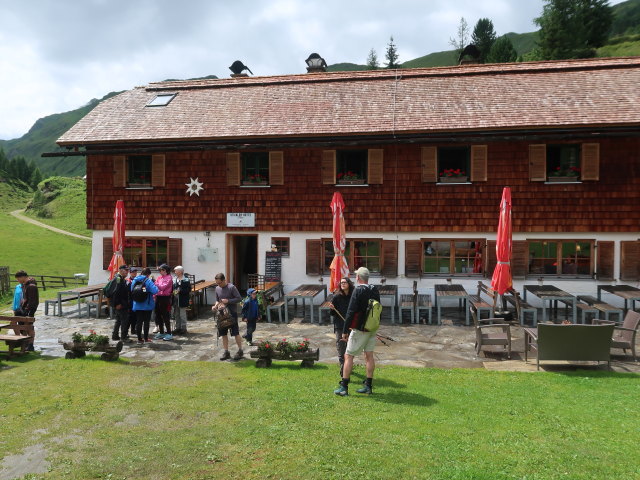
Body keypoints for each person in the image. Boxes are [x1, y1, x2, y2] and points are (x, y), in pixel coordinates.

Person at [334, 267, 380, 397]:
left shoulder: (358, 290)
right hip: (372, 327)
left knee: (348, 356)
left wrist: (345, 331)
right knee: (369, 356)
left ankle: (344, 387)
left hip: (360, 328)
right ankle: (368, 386)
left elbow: (350, 311)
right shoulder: (374, 289)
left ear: (358, 277)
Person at [212, 273, 243, 360]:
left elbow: (239, 298)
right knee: (223, 334)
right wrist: (215, 306)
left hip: (232, 314)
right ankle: (226, 352)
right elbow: (217, 300)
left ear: (224, 280)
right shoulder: (217, 288)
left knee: (235, 333)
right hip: (221, 314)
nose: (218, 285)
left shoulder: (231, 287)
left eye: (220, 283)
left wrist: (228, 301)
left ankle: (240, 350)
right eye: (217, 283)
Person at [329, 277, 354, 378]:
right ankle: (343, 366)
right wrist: (332, 308)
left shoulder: (353, 296)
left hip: (351, 325)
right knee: (341, 346)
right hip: (340, 325)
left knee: (350, 347)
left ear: (349, 284)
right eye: (341, 282)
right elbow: (332, 314)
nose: (343, 284)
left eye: (345, 282)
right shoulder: (336, 297)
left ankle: (347, 365)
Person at [131, 267, 159, 344]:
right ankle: (146, 338)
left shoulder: (134, 280)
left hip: (137, 304)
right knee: (146, 322)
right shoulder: (148, 280)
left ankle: (139, 339)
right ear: (148, 274)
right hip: (147, 305)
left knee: (139, 321)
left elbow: (131, 290)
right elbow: (155, 290)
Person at [14, 270, 39, 351]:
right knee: (22, 326)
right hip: (23, 309)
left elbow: (33, 301)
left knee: (29, 327)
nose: (18, 281)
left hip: (29, 310)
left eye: (18, 279)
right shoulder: (25, 285)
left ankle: (30, 345)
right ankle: (26, 343)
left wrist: (29, 312)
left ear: (23, 277)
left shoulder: (31, 286)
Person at [111, 264, 131, 341]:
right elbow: (116, 293)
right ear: (120, 270)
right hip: (121, 304)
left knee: (118, 320)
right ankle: (124, 337)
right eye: (126, 270)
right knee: (124, 321)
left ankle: (115, 336)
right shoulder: (118, 279)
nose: (127, 272)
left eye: (127, 270)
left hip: (122, 303)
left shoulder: (121, 278)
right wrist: (117, 304)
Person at [153, 264, 174, 340]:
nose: (159, 271)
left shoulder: (169, 278)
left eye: (160, 270)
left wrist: (155, 283)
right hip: (158, 297)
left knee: (165, 315)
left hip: (165, 298)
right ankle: (161, 332)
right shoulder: (159, 277)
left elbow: (162, 287)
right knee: (158, 315)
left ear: (165, 270)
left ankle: (169, 333)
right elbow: (156, 287)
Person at [172, 266, 191, 335]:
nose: (175, 272)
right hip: (175, 298)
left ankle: (183, 328)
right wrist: (174, 292)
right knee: (176, 314)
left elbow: (188, 289)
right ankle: (177, 327)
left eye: (176, 271)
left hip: (182, 299)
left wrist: (180, 290)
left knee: (182, 314)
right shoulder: (175, 279)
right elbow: (173, 288)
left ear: (180, 271)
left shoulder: (185, 279)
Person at [127, 267, 138, 336]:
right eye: (133, 272)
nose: (134, 273)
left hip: (136, 300)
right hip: (130, 300)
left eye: (135, 272)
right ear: (130, 273)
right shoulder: (128, 281)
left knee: (135, 316)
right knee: (128, 317)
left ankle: (133, 330)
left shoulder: (138, 280)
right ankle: (126, 331)